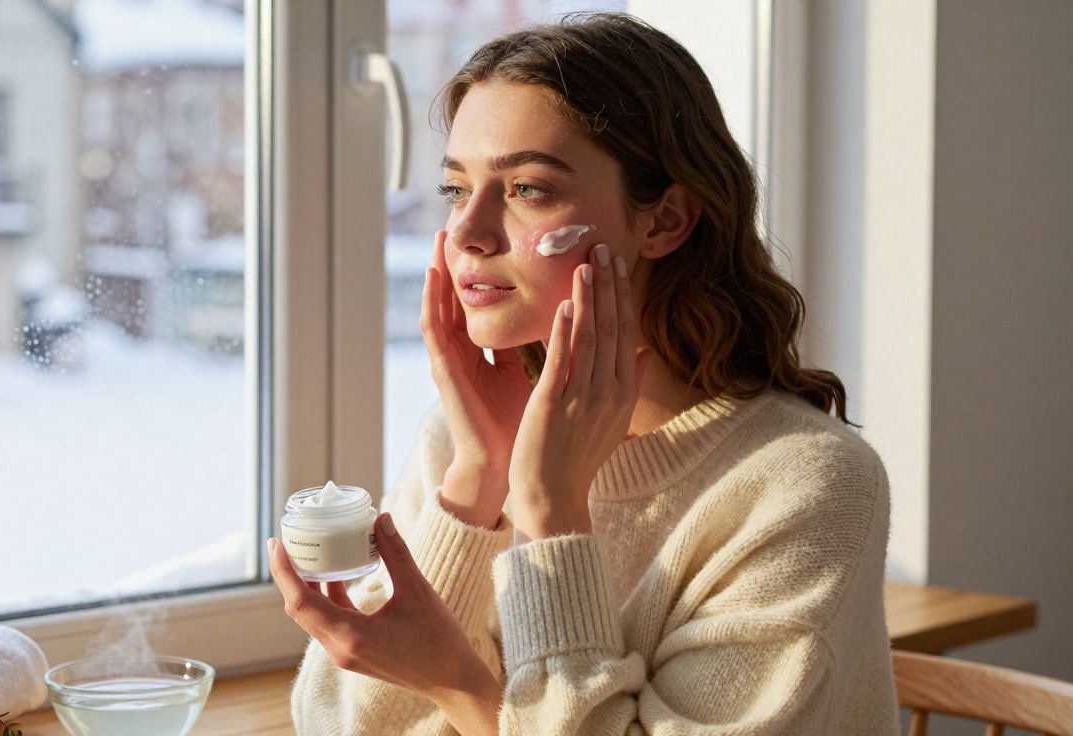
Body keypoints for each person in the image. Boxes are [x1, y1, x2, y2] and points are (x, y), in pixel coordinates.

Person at [268, 12, 899, 735]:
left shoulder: (805, 483)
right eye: (456, 189)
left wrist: (547, 518)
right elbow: (339, 724)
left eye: (528, 189)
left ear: (664, 221)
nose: (466, 233)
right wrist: (479, 480)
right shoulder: (467, 438)